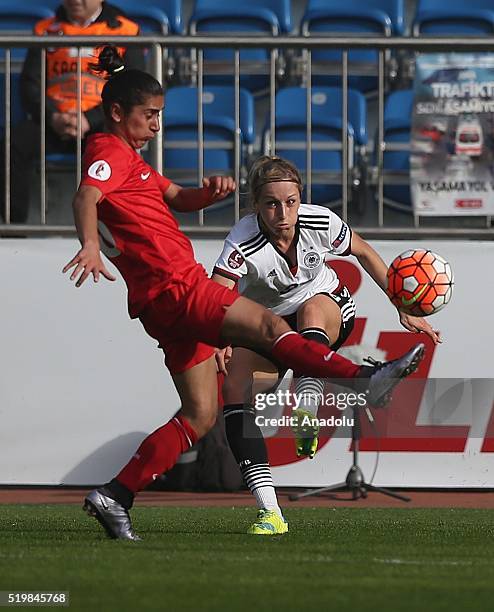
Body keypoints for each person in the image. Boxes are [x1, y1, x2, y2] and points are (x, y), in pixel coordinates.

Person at [62, 45, 425, 541]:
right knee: (272, 326)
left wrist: (203, 196)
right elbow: (86, 195)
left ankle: (116, 495)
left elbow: (173, 197)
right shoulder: (106, 151)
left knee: (200, 414)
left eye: (161, 116)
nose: (157, 126)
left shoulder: (132, 162)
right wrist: (88, 243)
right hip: (178, 287)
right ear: (118, 113)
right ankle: (365, 379)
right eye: (149, 116)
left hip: (159, 304)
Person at [212, 156, 441, 535]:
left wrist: (402, 306)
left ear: (300, 198)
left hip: (328, 307)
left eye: (290, 201)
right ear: (256, 205)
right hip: (267, 325)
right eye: (271, 203)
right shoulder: (242, 239)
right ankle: (270, 512)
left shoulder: (320, 220)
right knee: (235, 389)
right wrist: (217, 340)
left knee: (311, 311)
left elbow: (363, 251)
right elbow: (217, 290)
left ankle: (306, 403)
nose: (283, 212)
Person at [4, 0, 141, 223]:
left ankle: (119, 230)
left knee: (118, 150)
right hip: (53, 121)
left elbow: (133, 87)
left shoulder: (126, 31)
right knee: (13, 144)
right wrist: (53, 117)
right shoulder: (45, 30)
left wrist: (90, 118)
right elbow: (30, 85)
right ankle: (13, 229)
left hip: (100, 123)